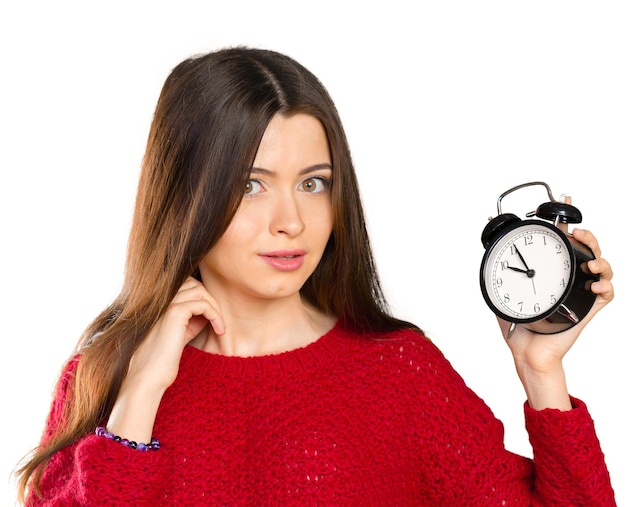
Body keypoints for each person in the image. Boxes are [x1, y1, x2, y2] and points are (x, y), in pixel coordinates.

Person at [15, 46, 616, 506]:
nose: (291, 222)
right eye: (251, 184)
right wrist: (139, 397)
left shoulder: (396, 374)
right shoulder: (105, 377)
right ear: (184, 196)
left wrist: (543, 373)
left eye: (314, 183)